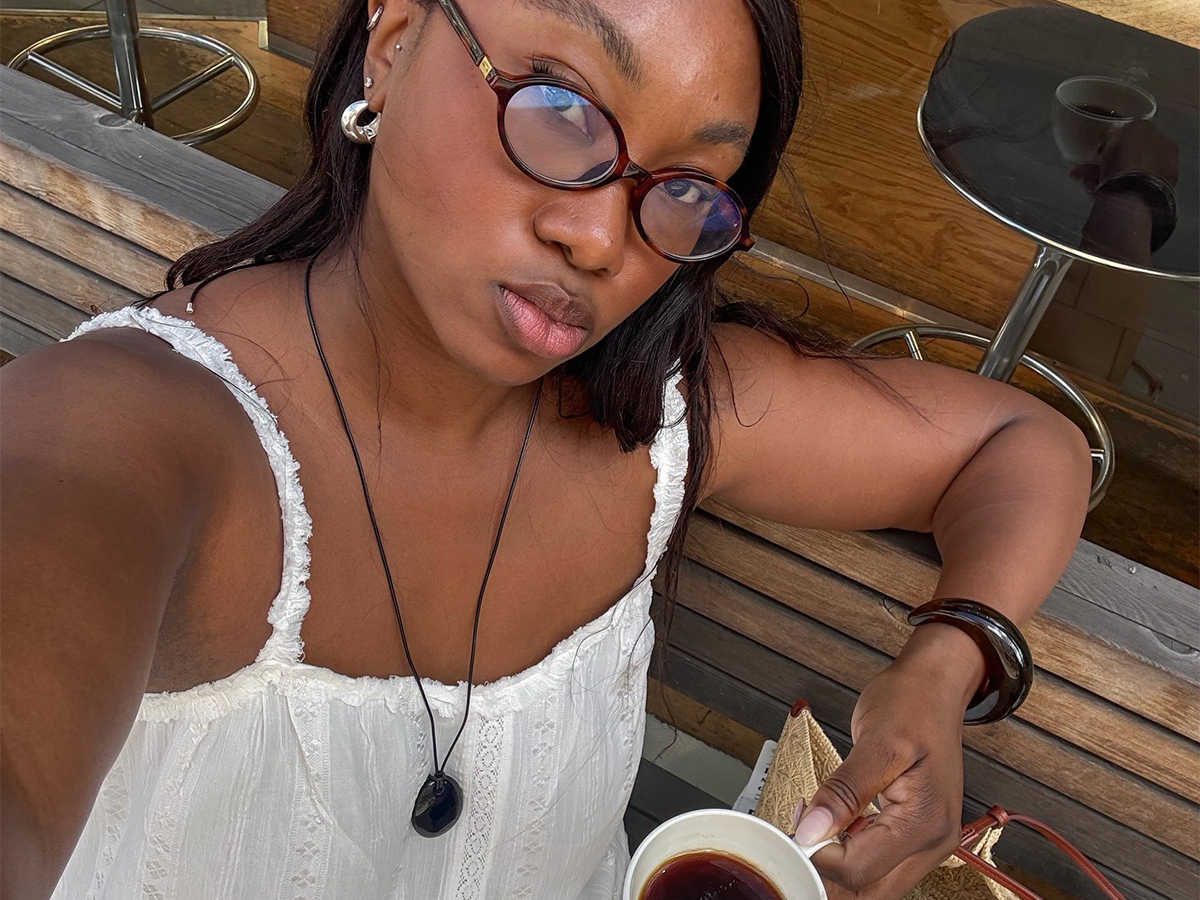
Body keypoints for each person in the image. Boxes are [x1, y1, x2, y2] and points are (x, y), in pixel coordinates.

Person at [0, 0, 1092, 897]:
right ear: (393, 44)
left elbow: (1017, 441)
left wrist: (942, 670)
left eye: (684, 190)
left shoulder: (656, 418)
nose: (603, 239)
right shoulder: (134, 430)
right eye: (561, 109)